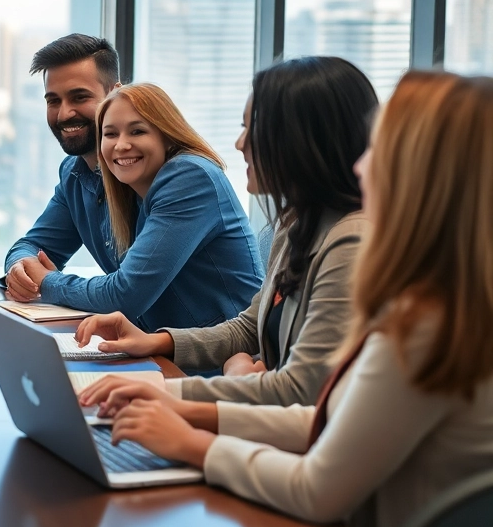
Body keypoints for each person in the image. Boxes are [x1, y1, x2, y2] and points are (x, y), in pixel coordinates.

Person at [87, 70, 493, 527]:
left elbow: (317, 483)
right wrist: (178, 401)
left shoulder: (425, 320)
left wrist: (191, 440)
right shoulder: (432, 298)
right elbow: (328, 419)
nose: (361, 168)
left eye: (379, 153)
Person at [77, 57, 377, 406]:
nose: (239, 144)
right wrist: (158, 342)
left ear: (302, 139)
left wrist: (163, 392)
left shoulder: (350, 242)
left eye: (252, 129)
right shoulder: (296, 223)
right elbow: (249, 328)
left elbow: (300, 391)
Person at [12, 67, 261, 329]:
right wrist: (21, 266)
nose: (121, 145)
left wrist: (47, 281)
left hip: (220, 359)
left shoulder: (190, 177)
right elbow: (31, 245)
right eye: (110, 134)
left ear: (167, 135)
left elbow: (124, 294)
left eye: (137, 131)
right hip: (155, 347)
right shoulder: (113, 180)